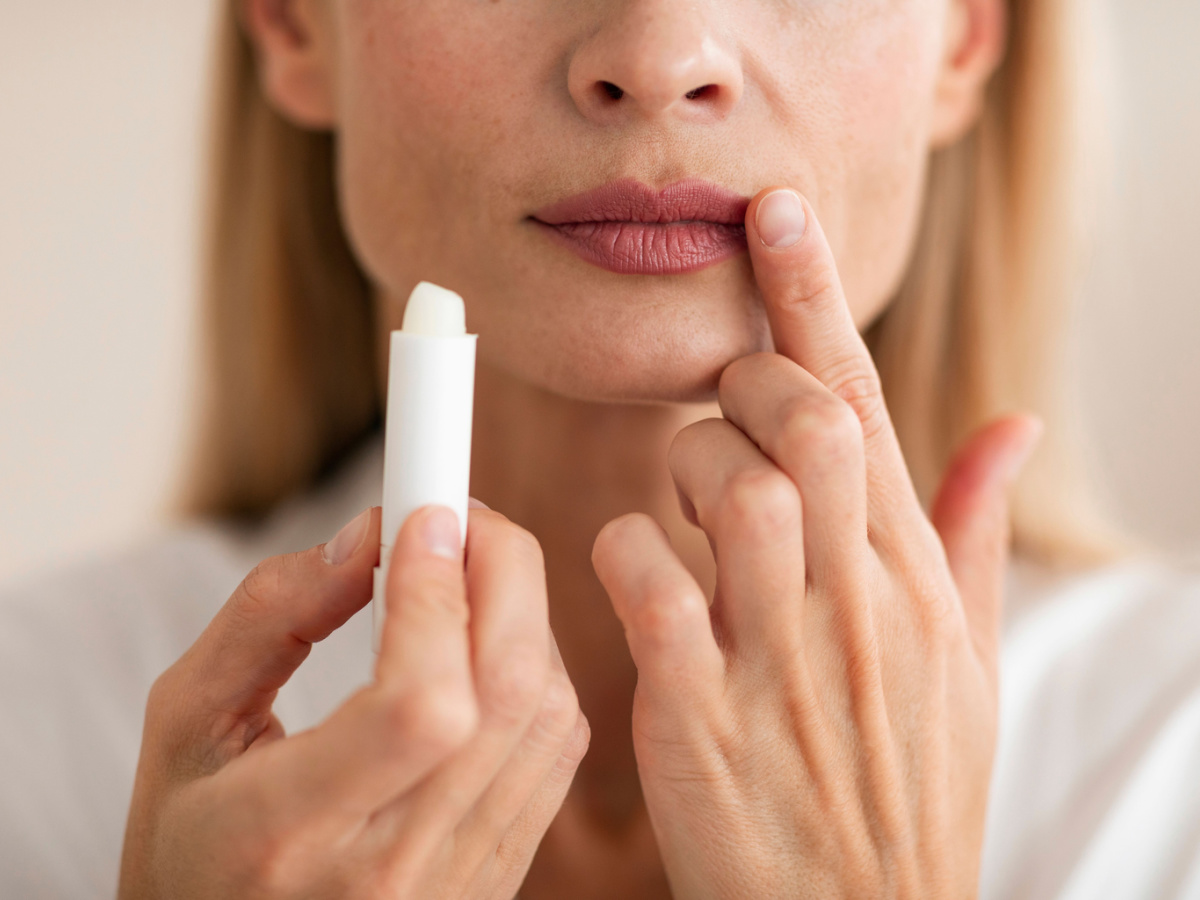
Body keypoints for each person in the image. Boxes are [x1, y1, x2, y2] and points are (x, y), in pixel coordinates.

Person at [3, 0, 1199, 897]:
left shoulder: (1169, 766)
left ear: (968, 37)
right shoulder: (35, 741)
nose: (660, 55)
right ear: (294, 21)